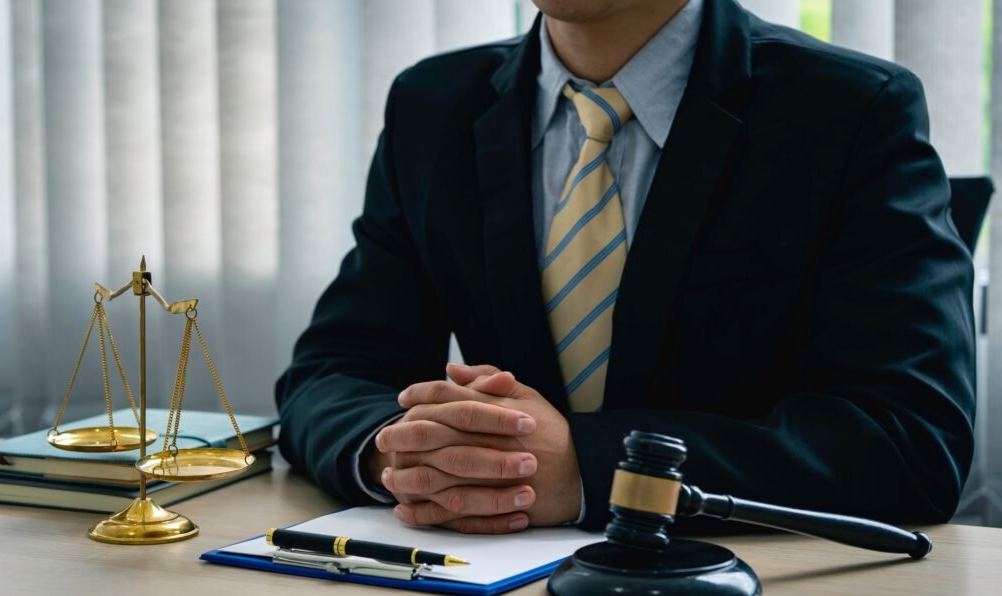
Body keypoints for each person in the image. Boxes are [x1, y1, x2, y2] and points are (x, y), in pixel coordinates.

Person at [275, 0, 975, 534]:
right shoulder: (434, 104)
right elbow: (334, 370)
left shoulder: (851, 112)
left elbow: (911, 437)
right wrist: (405, 451)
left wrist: (593, 468)